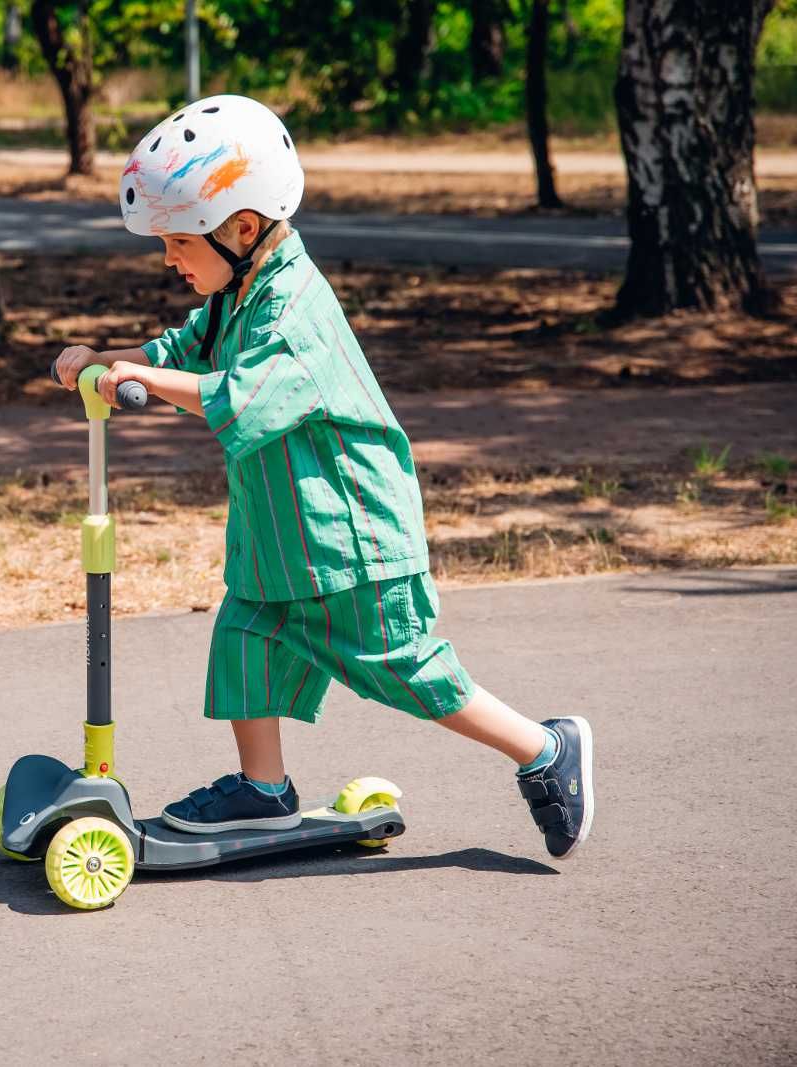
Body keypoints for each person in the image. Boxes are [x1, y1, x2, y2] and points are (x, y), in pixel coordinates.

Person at [51, 95, 594, 859]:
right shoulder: (236, 290)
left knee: (403, 670)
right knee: (246, 640)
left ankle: (544, 748)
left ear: (242, 228)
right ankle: (264, 789)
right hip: (282, 533)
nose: (171, 259)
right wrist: (106, 360)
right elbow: (179, 352)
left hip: (349, 536)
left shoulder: (295, 308)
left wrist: (132, 375)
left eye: (178, 241)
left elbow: (237, 396)